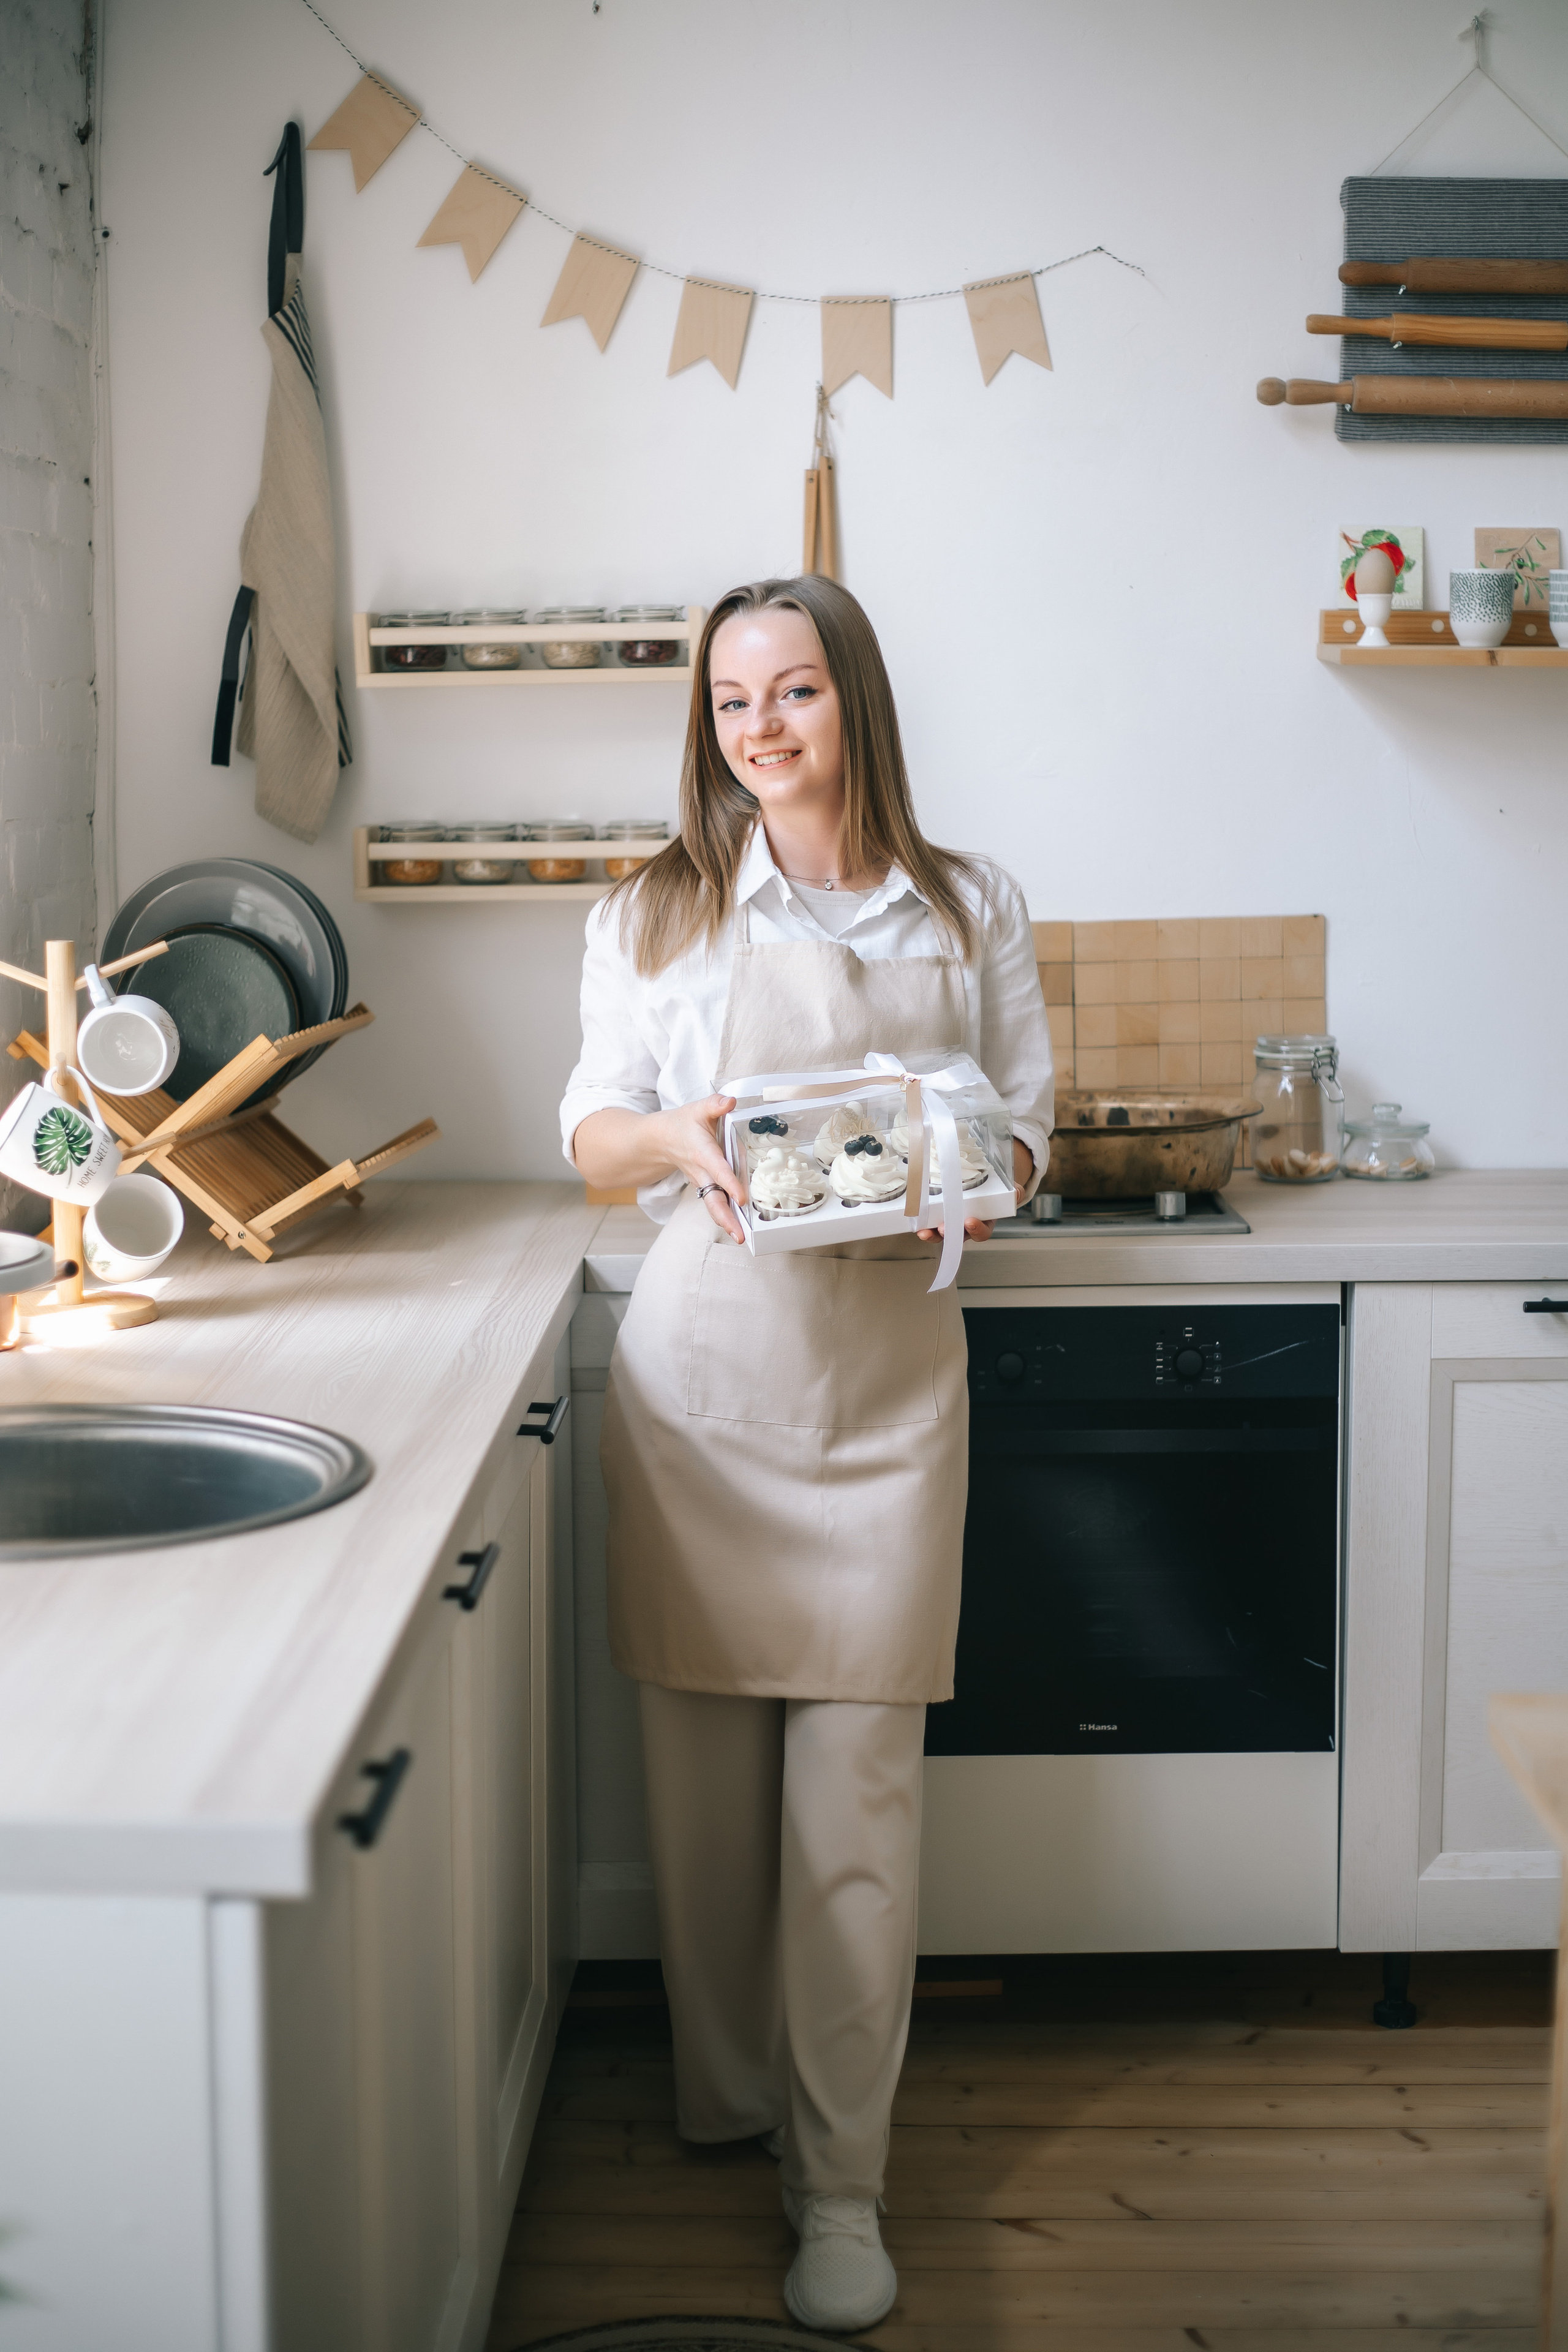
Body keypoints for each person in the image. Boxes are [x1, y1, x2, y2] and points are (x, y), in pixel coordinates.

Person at [560, 575, 1053, 2331]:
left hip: (893, 1394)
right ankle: (731, 2103)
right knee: (703, 1812)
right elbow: (590, 1129)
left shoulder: (969, 902)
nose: (760, 728)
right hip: (707, 1386)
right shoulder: (658, 908)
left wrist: (969, 1183)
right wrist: (674, 1138)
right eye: (730, 702)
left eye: (794, 692)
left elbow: (1029, 1134)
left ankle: (839, 2189)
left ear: (857, 700)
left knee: (858, 1808)